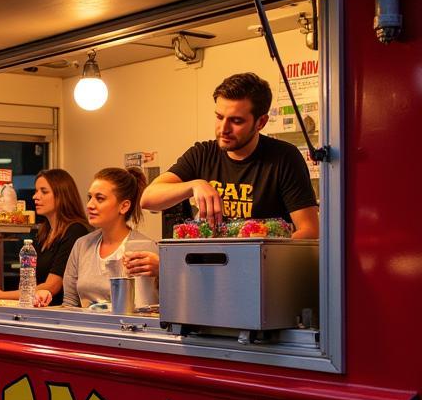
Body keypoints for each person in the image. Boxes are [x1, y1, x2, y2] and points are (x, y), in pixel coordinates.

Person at [141, 72, 320, 239]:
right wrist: (194, 185)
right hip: (212, 268)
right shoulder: (202, 153)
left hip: (262, 268)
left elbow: (310, 231)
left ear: (261, 122)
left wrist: (258, 253)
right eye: (219, 117)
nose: (224, 129)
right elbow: (148, 198)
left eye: (236, 121)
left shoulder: (284, 158)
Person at [43, 167, 159, 309]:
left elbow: (148, 307)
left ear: (123, 206)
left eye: (100, 198)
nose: (90, 205)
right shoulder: (82, 245)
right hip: (86, 328)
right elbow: (69, 304)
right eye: (89, 197)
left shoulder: (144, 248)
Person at [0, 169, 90, 305]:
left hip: (60, 313)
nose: (35, 197)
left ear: (62, 195)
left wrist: (1, 295)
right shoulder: (44, 231)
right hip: (39, 309)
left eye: (44, 191)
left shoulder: (75, 231)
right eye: (36, 191)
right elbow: (31, 284)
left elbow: (52, 286)